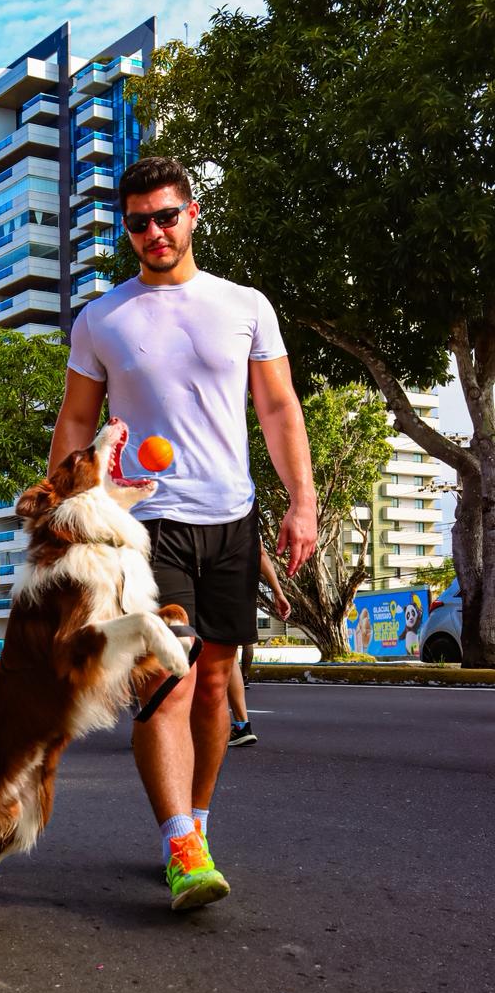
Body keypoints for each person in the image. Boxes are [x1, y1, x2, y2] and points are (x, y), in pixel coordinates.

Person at [48, 156, 316, 911]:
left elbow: (279, 408)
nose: (154, 233)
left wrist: (303, 501)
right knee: (170, 683)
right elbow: (76, 418)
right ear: (126, 229)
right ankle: (180, 843)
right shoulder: (102, 317)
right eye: (138, 223)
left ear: (193, 215)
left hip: (231, 515)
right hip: (144, 526)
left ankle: (196, 824)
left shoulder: (244, 304)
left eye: (166, 216)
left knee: (215, 692)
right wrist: (71, 516)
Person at [228, 546, 292, 747]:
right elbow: (261, 552)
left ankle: (165, 723)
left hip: (213, 588)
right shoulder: (244, 517)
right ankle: (241, 724)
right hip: (243, 594)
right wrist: (278, 592)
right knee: (229, 653)